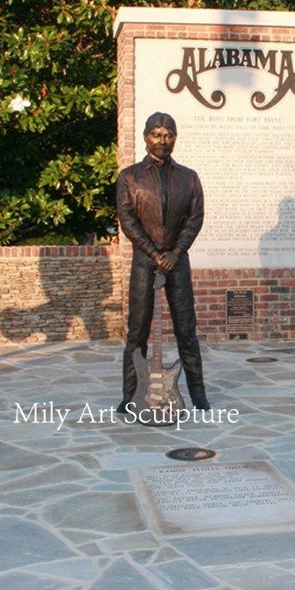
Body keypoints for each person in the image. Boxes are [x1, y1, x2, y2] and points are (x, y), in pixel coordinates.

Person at [116, 112, 210, 412]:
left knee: (187, 329)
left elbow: (195, 217)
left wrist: (174, 252)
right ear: (146, 137)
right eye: (156, 134)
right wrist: (155, 253)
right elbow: (127, 219)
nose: (163, 141)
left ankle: (198, 395)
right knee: (137, 331)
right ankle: (130, 395)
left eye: (169, 134)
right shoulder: (130, 177)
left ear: (175, 138)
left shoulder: (188, 177)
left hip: (177, 260)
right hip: (145, 262)